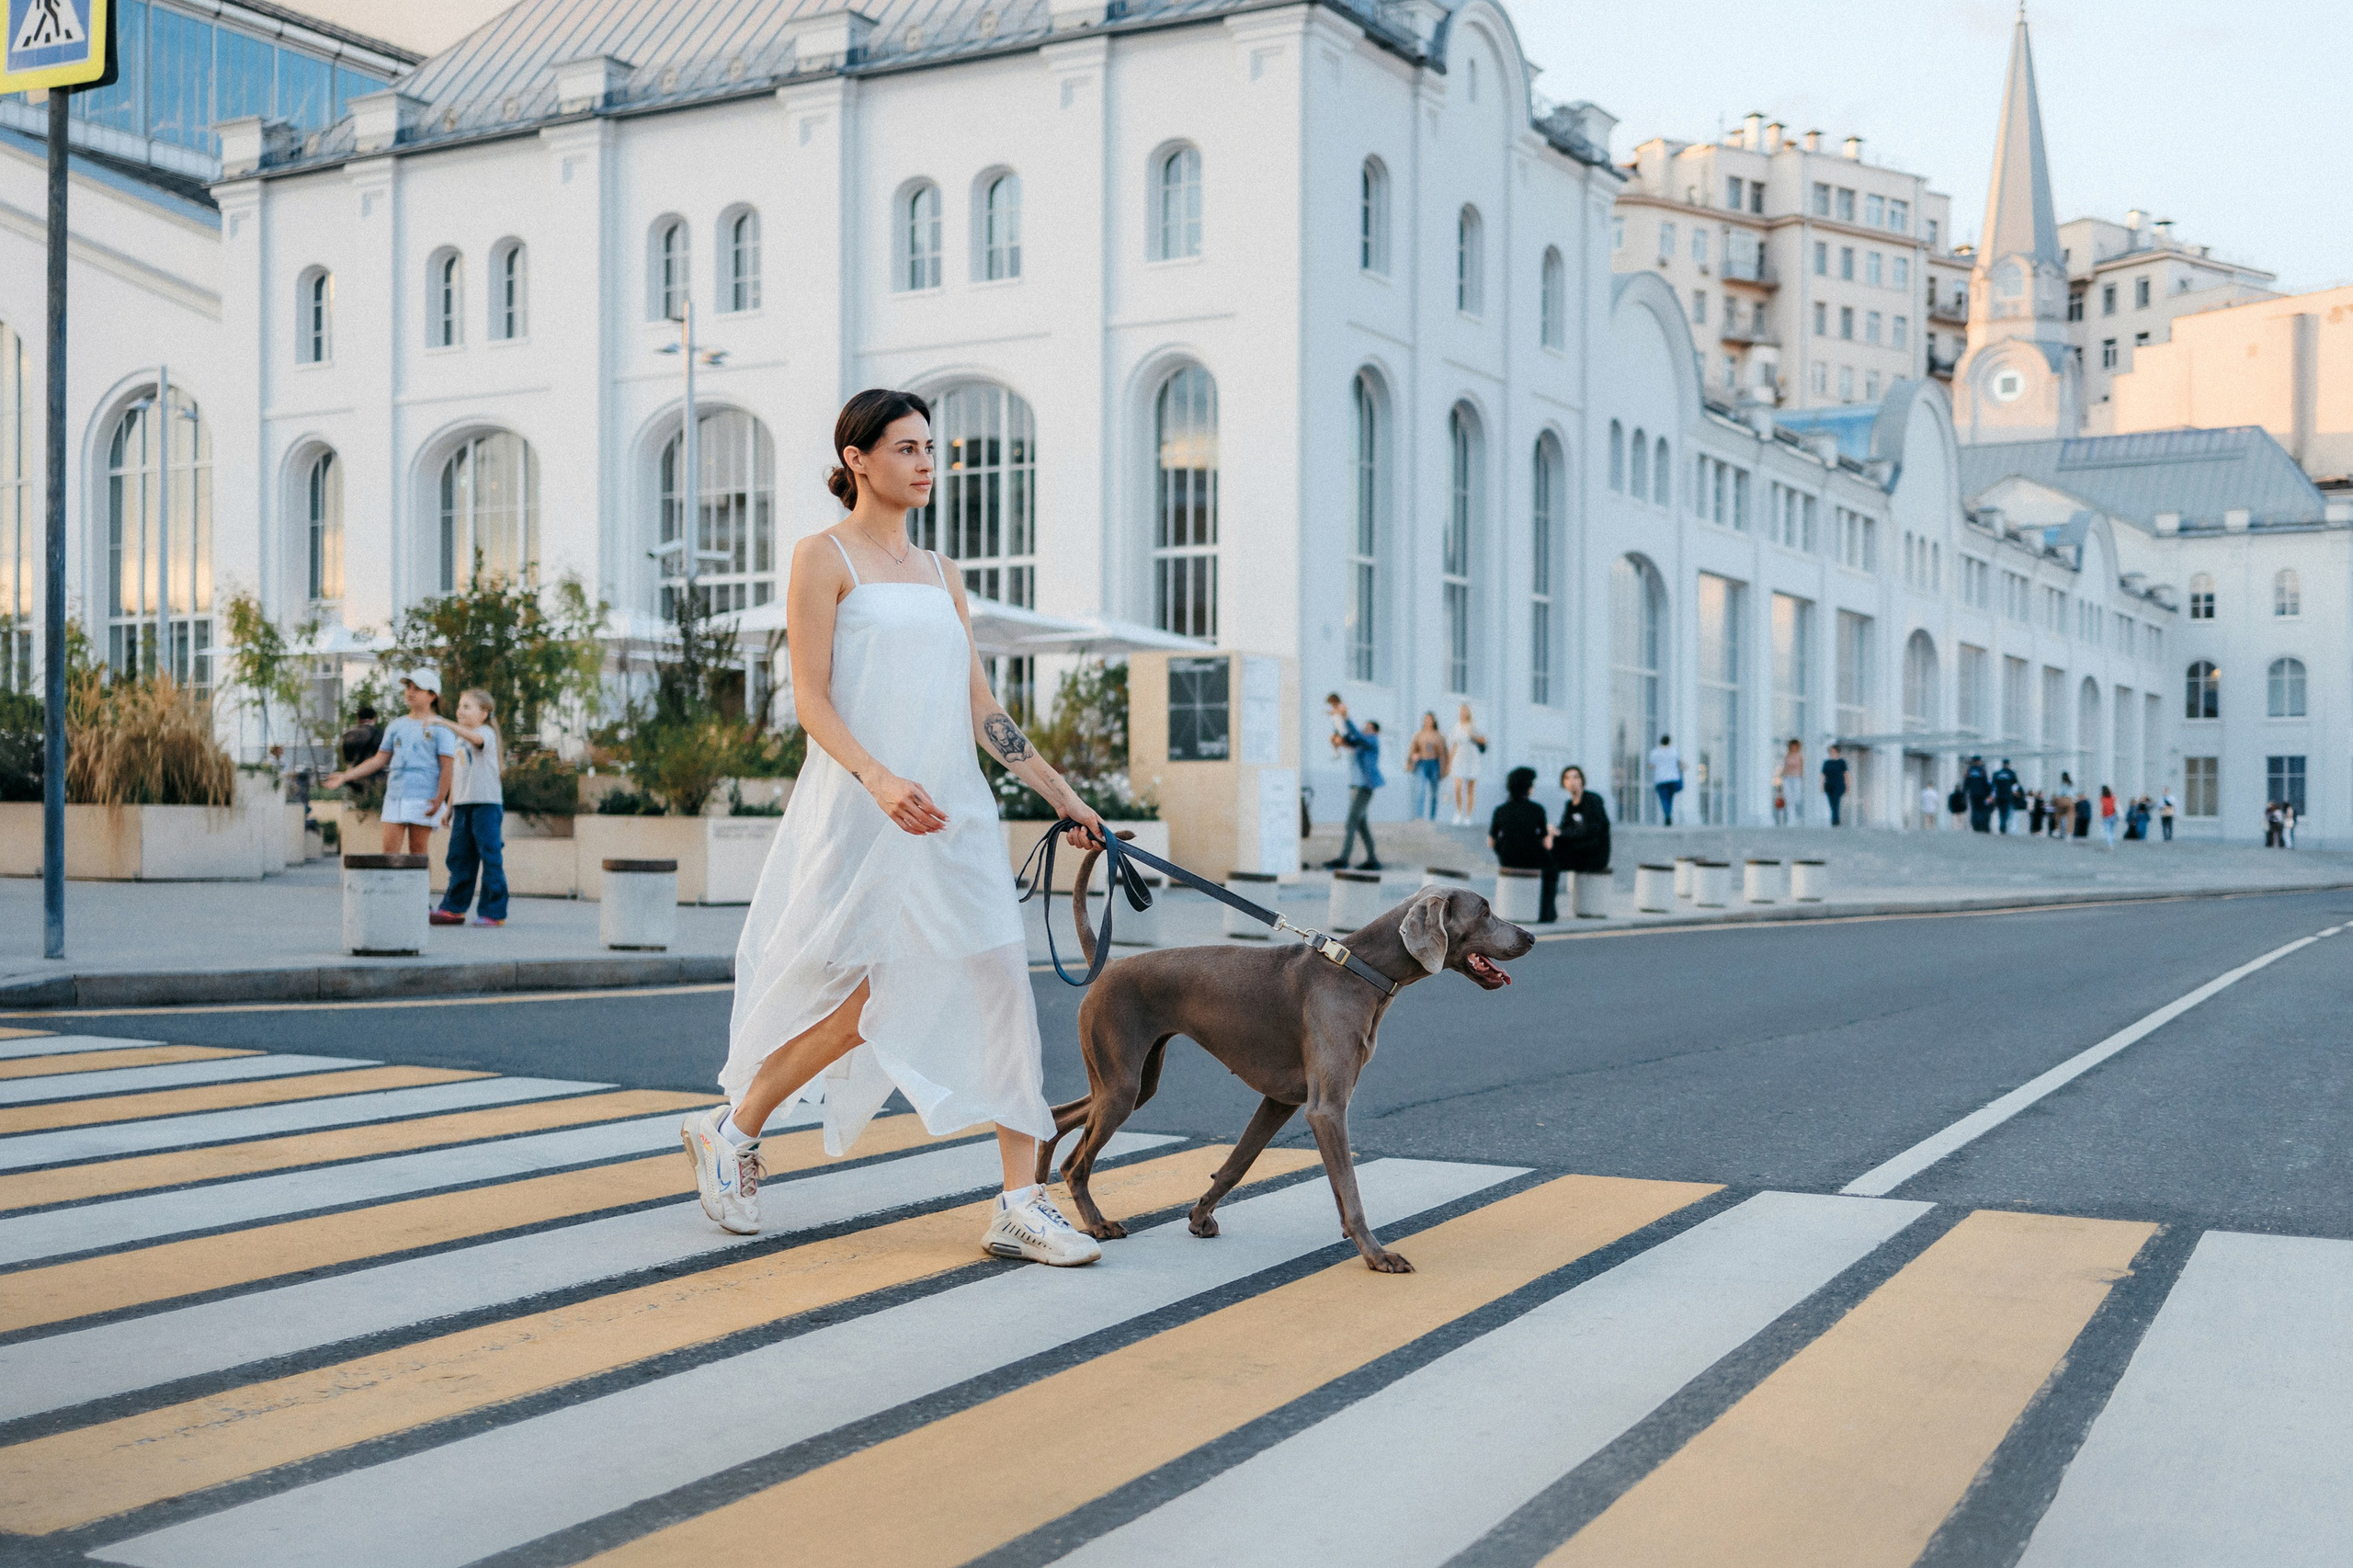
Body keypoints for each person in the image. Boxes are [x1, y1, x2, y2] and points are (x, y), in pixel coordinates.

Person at [687, 389, 1108, 1266]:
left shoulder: (942, 572)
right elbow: (810, 699)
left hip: (952, 814)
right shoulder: (822, 556)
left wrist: (1060, 791)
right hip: (864, 811)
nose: (927, 463)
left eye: (930, 447)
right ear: (858, 459)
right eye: (908, 448)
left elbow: (980, 706)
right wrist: (878, 780)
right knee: (860, 1008)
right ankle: (733, 1129)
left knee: (1002, 987)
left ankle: (1019, 1202)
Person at [324, 669, 459, 855]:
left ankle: (419, 885)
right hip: (395, 797)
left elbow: (447, 767)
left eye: (417, 689)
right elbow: (379, 759)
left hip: (423, 798)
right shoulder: (397, 725)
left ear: (432, 695)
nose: (410, 692)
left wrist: (440, 798)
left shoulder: (442, 727)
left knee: (418, 852)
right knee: (388, 852)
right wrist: (346, 776)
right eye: (408, 687)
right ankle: (392, 885)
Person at [432, 687, 507, 927]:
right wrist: (449, 807)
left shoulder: (485, 733)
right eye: (459, 706)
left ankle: (493, 912)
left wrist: (443, 722)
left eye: (467, 706)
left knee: (490, 857)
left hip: (486, 805)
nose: (460, 711)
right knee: (459, 857)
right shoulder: (461, 739)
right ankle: (454, 908)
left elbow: (477, 740)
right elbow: (458, 774)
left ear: (484, 713)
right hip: (463, 805)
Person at [1324, 701, 1383, 870]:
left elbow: (1357, 735)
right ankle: (1372, 859)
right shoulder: (1361, 744)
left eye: (1369, 728)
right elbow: (1350, 738)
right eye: (1365, 727)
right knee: (1361, 824)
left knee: (1351, 822)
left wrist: (1346, 717)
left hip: (1364, 787)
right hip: (1356, 786)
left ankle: (1343, 858)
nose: (1366, 730)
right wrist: (1337, 721)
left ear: (1376, 732)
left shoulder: (1372, 742)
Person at [1488, 767, 1553, 922]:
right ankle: (1547, 913)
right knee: (1552, 868)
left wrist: (1502, 850)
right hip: (1532, 859)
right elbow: (1547, 843)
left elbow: (1491, 841)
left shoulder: (1500, 810)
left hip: (1508, 858)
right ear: (1528, 788)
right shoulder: (1537, 809)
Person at [1552, 766, 1611, 920]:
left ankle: (1548, 909)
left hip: (1593, 854)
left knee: (1552, 860)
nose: (1572, 782)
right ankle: (1547, 907)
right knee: (1548, 857)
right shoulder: (1570, 805)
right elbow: (1565, 830)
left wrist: (1560, 833)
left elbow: (1591, 831)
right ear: (1563, 783)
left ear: (1582, 780)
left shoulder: (1592, 800)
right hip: (1578, 850)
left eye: (1575, 777)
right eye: (1567, 778)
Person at [1447, 703, 1488, 827]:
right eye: (1461, 711)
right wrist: (1449, 762)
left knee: (1470, 789)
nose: (1463, 713)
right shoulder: (1456, 727)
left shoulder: (1474, 726)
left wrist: (1473, 736)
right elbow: (1453, 746)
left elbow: (1483, 740)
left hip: (1472, 757)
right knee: (1458, 787)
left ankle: (1468, 816)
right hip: (1459, 757)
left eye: (1465, 711)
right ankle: (1458, 812)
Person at [1404, 711, 1447, 822]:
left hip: (1434, 763)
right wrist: (1410, 761)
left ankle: (1432, 817)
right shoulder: (1419, 735)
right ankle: (1419, 816)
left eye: (1430, 719)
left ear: (1434, 721)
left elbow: (1443, 754)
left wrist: (1443, 770)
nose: (1428, 721)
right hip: (1422, 763)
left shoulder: (1439, 736)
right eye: (1426, 719)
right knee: (1420, 790)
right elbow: (1412, 749)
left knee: (1434, 793)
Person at [1648, 733, 1684, 825]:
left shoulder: (1655, 752)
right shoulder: (1673, 751)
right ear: (1669, 741)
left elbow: (1651, 766)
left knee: (1664, 799)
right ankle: (1668, 814)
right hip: (1673, 778)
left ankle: (1667, 815)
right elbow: (1680, 764)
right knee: (1670, 798)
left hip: (1661, 779)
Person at [1820, 744, 1848, 827]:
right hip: (1829, 785)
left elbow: (1846, 774)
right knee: (1831, 802)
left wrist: (1847, 786)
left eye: (1834, 750)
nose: (1832, 752)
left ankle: (1835, 820)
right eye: (1831, 751)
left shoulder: (1841, 762)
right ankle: (1834, 819)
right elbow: (1823, 775)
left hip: (1839, 784)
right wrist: (1821, 785)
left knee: (1836, 801)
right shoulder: (1827, 762)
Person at [1964, 756, 1994, 833]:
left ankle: (1975, 825)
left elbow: (1966, 782)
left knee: (1974, 809)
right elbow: (1986, 782)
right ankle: (1981, 825)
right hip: (1982, 794)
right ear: (1979, 761)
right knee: (1982, 809)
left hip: (1973, 793)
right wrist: (1989, 793)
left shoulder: (1969, 770)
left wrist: (1965, 792)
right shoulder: (1982, 770)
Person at [1779, 739, 1805, 824]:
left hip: (1796, 777)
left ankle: (1798, 815)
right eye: (1792, 746)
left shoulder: (1800, 756)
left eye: (1795, 746)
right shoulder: (1787, 755)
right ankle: (1791, 818)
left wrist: (1803, 778)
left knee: (1797, 796)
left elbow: (1802, 767)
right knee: (1788, 798)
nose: (1793, 747)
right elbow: (1784, 766)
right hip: (1787, 777)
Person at [1992, 759, 2020, 834]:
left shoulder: (1997, 774)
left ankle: (2002, 825)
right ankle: (2003, 825)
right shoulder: (2011, 773)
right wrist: (2015, 792)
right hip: (2008, 796)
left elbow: (1993, 786)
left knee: (2001, 812)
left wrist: (1993, 796)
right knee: (2006, 812)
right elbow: (2016, 784)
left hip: (1999, 796)